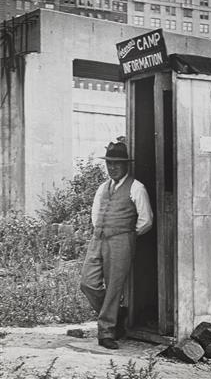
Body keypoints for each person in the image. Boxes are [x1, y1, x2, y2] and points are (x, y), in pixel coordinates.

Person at [80, 141, 153, 350]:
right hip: (98, 239)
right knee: (88, 283)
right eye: (109, 163)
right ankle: (117, 314)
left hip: (122, 240)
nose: (112, 167)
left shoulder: (137, 187)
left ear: (126, 165)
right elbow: (95, 214)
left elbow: (146, 220)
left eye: (117, 164)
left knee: (113, 287)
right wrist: (102, 230)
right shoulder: (103, 187)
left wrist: (127, 234)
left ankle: (107, 332)